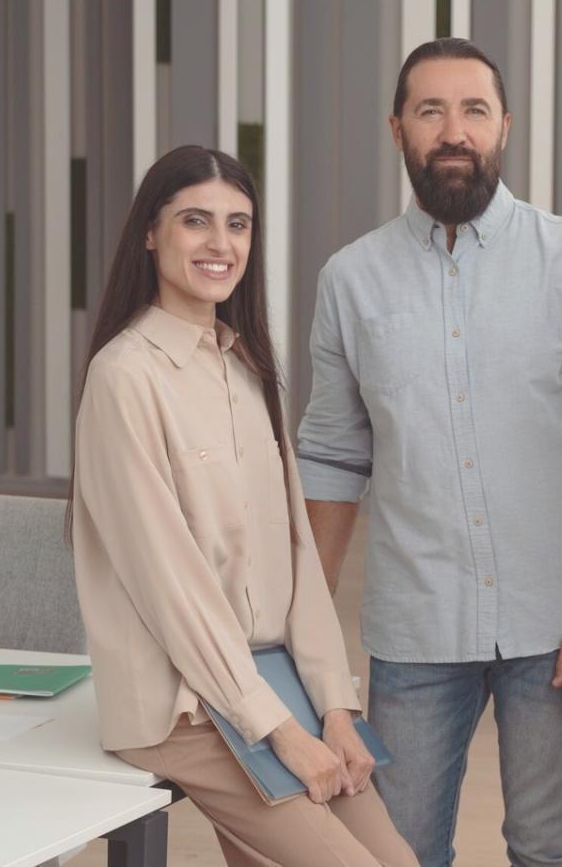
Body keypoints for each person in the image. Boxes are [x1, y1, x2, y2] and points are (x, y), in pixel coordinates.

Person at [296, 38, 562, 867]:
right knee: (398, 853)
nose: (452, 130)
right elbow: (330, 460)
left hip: (558, 627)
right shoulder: (349, 281)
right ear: (397, 129)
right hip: (415, 628)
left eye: (472, 110)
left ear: (503, 126)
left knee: (546, 848)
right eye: (430, 110)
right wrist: (306, 636)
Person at [69, 145, 416, 865]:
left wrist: (333, 707)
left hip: (268, 680)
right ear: (150, 232)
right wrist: (281, 731)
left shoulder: (246, 368)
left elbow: (297, 563)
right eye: (196, 221)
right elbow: (172, 589)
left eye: (239, 224)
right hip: (182, 704)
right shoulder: (123, 378)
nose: (220, 244)